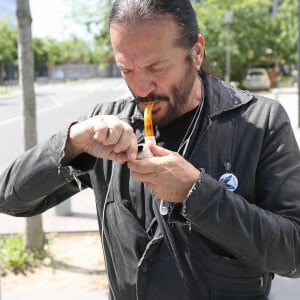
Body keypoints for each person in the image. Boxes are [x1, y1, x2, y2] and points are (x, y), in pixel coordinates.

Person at [1, 0, 300, 299]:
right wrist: (72, 143)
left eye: (156, 67)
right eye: (126, 69)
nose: (141, 88)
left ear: (196, 52)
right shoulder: (108, 127)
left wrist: (196, 193)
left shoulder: (260, 122)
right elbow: (10, 199)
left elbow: (293, 252)